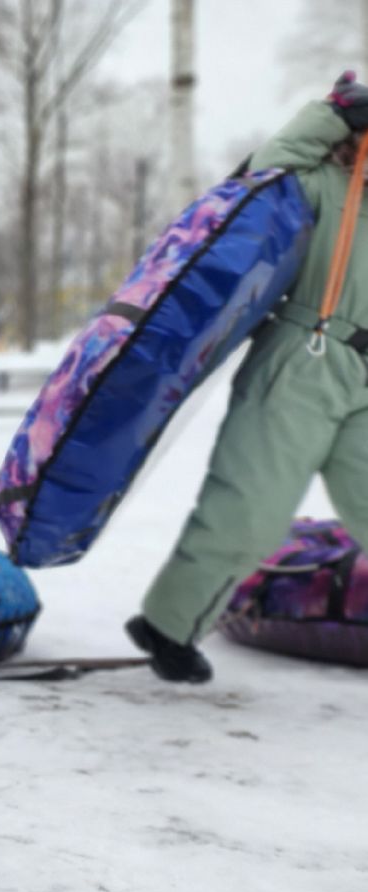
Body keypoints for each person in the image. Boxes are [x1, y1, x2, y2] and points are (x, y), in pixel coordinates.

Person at [132, 72, 368, 682]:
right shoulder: (317, 186)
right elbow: (259, 173)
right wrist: (333, 112)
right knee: (251, 511)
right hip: (302, 358)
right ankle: (168, 623)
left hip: (364, 378)